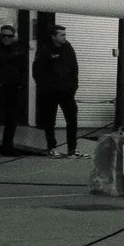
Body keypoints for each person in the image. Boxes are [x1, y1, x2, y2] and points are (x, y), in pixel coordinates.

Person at [33, 26, 81, 157]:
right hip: (50, 93)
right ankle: (52, 148)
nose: (64, 37)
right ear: (53, 36)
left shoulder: (68, 48)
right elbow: (37, 72)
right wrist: (45, 88)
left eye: (65, 34)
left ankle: (72, 149)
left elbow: (74, 68)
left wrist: (73, 86)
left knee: (72, 119)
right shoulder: (44, 50)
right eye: (61, 35)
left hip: (67, 92)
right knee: (50, 121)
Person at [0, 26, 29, 155]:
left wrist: (21, 84)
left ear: (13, 36)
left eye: (9, 36)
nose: (6, 38)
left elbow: (24, 68)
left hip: (13, 88)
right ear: (0, 35)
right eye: (4, 35)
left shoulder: (18, 49)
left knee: (11, 119)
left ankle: (7, 146)